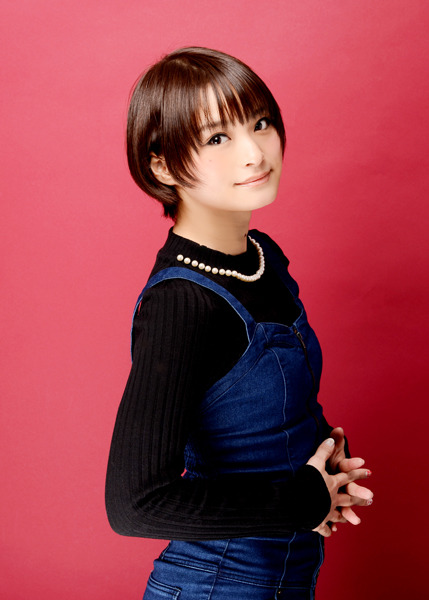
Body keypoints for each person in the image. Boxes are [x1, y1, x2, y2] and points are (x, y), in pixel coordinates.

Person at [105, 47, 373, 599]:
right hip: (217, 585)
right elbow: (135, 504)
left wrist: (322, 460)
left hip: (288, 578)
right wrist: (303, 499)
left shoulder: (263, 257)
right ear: (162, 165)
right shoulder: (181, 304)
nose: (254, 153)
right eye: (217, 138)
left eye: (261, 123)